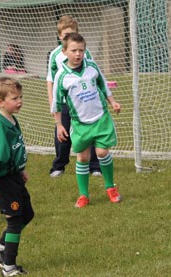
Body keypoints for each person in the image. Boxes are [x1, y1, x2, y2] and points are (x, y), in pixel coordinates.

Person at [52, 32, 121, 208]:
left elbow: (103, 84)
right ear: (65, 51)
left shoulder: (91, 67)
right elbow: (57, 102)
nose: (78, 54)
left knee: (102, 153)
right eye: (74, 50)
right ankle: (83, 195)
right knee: (82, 157)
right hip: (80, 123)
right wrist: (59, 124)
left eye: (81, 50)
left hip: (100, 119)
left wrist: (112, 102)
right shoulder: (61, 76)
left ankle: (110, 187)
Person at [0, 77, 34, 276]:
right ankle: (9, 266)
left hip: (14, 177)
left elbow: (13, 150)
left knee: (27, 214)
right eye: (14, 98)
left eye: (20, 97)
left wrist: (20, 169)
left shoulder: (12, 119)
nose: (19, 101)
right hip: (2, 180)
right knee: (14, 221)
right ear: (0, 102)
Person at [46, 15, 101, 177]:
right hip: (64, 102)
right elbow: (51, 80)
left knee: (89, 132)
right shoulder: (55, 55)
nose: (69, 38)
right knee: (62, 133)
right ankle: (59, 166)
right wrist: (52, 102)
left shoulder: (85, 53)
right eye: (65, 36)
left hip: (84, 101)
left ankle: (95, 166)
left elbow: (93, 74)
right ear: (60, 37)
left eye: (72, 34)